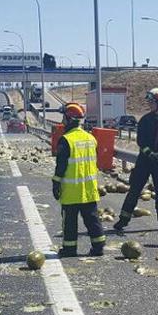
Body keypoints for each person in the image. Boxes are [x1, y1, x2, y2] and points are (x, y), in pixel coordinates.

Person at [114, 87, 158, 233]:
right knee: (135, 189)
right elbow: (141, 141)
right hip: (145, 160)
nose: (149, 105)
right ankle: (123, 219)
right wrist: (149, 153)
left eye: (152, 103)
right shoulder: (145, 120)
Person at [52, 102, 105, 258]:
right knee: (92, 219)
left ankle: (69, 249)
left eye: (64, 118)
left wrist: (56, 183)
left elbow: (61, 166)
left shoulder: (66, 140)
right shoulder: (91, 139)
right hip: (89, 188)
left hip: (72, 191)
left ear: (69, 119)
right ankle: (98, 246)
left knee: (70, 222)